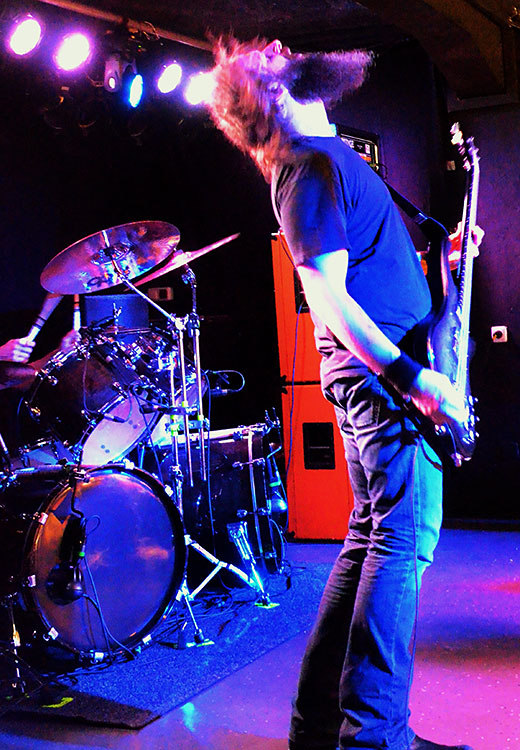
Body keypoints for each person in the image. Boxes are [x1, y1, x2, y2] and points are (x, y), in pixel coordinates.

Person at [207, 38, 478, 750]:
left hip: (374, 382)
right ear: (270, 95)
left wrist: (444, 259)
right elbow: (325, 296)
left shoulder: (320, 162)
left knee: (371, 542)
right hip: (383, 389)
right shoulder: (310, 163)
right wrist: (411, 377)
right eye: (269, 58)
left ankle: (323, 728)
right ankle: (374, 737)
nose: (281, 47)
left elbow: (362, 269)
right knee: (402, 543)